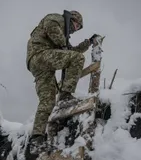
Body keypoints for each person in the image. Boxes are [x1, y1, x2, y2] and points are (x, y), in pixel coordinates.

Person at [26, 10, 98, 147]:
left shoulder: (63, 37)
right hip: (40, 54)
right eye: (77, 26)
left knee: (48, 99)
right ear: (72, 19)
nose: (76, 30)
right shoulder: (57, 19)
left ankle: (37, 137)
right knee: (77, 59)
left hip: (38, 65)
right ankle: (65, 95)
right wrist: (64, 45)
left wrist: (88, 42)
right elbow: (49, 24)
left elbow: (71, 52)